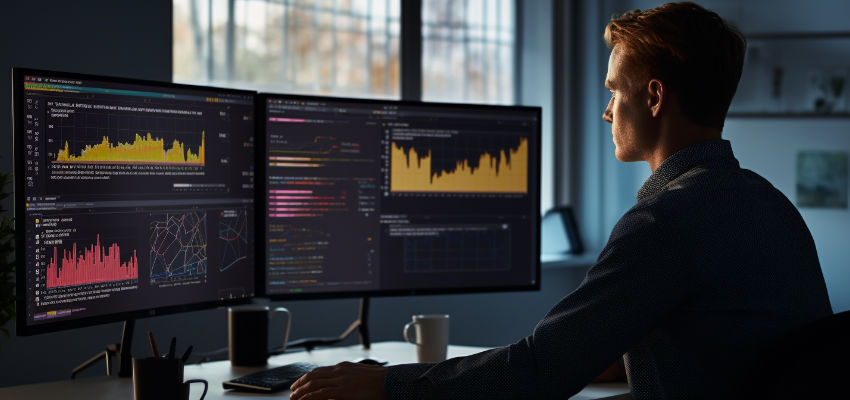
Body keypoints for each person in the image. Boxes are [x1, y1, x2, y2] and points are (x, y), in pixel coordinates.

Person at [289, 2, 833, 399]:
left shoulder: (666, 220)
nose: (606, 112)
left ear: (654, 96)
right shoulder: (772, 205)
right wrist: (617, 352)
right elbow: (733, 344)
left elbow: (538, 371)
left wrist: (385, 383)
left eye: (614, 91)